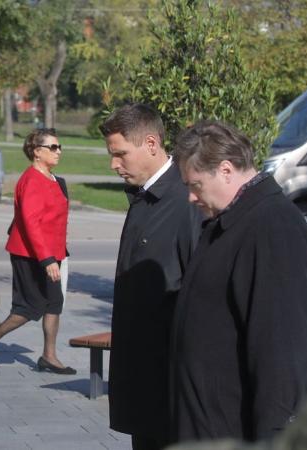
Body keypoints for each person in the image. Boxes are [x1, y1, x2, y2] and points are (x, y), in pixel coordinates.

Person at [170, 120, 307, 443]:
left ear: (225, 170)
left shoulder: (273, 227)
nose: (191, 198)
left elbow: (283, 347)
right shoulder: (229, 221)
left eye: (195, 185)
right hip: (209, 425)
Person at [99, 103, 203, 450]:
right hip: (143, 377)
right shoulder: (145, 197)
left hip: (170, 383)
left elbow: (200, 293)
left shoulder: (187, 201)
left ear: (151, 144)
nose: (114, 164)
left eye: (120, 154)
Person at [0, 128, 74, 374]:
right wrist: (47, 259)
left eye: (59, 147)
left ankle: (49, 356)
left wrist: (57, 254)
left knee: (54, 303)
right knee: (29, 307)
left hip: (52, 253)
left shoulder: (54, 179)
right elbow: (30, 223)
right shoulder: (31, 180)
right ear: (37, 152)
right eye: (53, 147)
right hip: (30, 254)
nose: (58, 151)